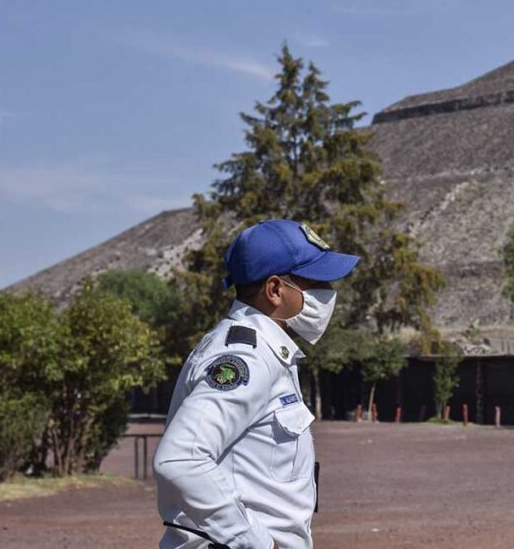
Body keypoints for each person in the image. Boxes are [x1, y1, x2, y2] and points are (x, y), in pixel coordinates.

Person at [153, 219, 359, 549]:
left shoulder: (266, 351)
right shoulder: (246, 357)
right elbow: (181, 459)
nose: (328, 293)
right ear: (274, 289)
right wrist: (257, 542)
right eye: (316, 282)